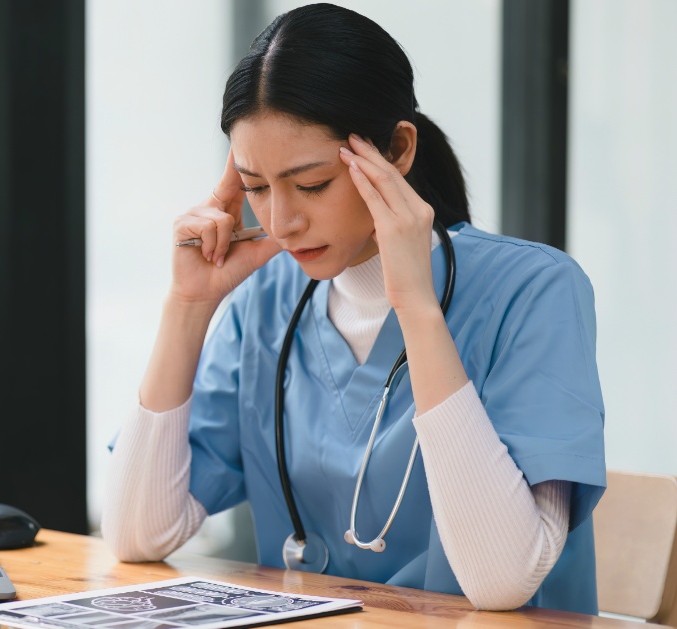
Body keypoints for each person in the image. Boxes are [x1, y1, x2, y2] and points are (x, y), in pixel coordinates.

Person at [101, 2, 606, 615]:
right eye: (256, 187)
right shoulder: (266, 302)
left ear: (395, 150)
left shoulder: (534, 291)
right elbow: (135, 534)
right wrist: (187, 307)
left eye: (311, 184)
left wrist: (415, 305)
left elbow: (500, 581)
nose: (280, 223)